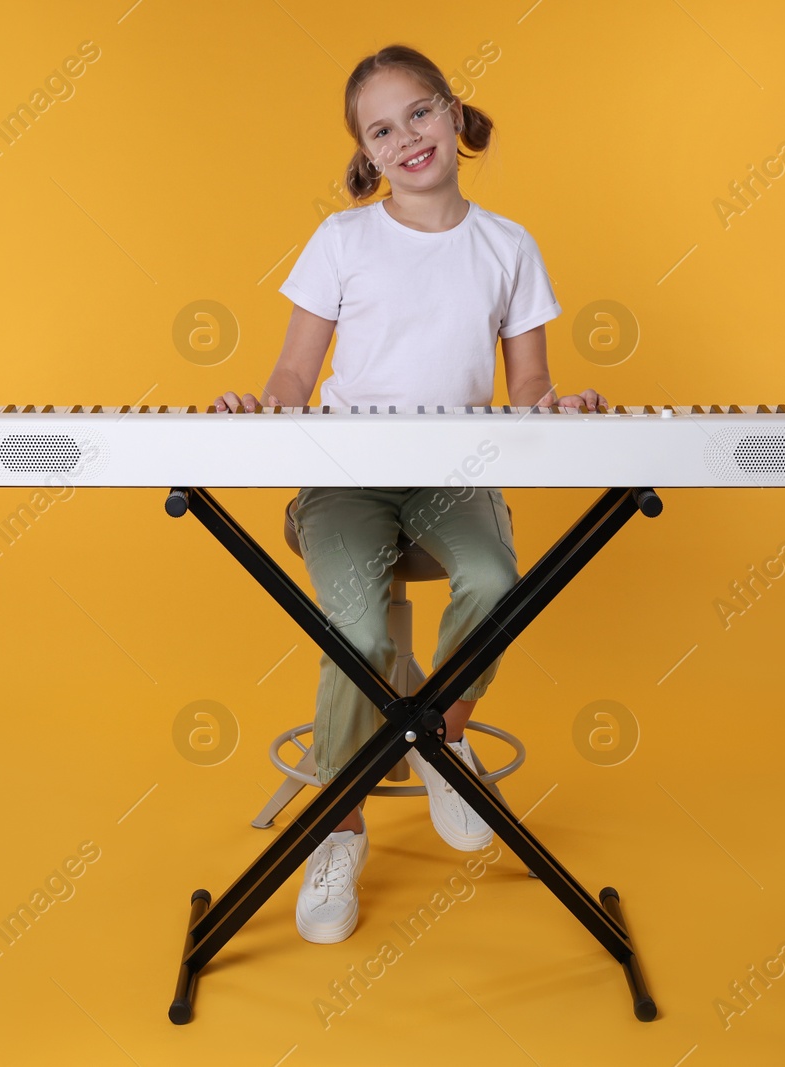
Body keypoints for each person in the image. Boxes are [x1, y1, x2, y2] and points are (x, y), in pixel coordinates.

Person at [210, 43, 606, 945]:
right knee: (353, 633)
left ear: (453, 112)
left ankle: (438, 734)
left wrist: (564, 402)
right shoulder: (341, 241)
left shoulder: (509, 246)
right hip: (348, 486)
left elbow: (531, 390)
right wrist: (255, 408)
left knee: (497, 581)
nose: (407, 137)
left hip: (453, 480)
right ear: (366, 152)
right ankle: (337, 826)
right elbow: (292, 377)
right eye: (381, 129)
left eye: (419, 113)